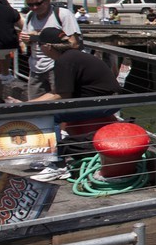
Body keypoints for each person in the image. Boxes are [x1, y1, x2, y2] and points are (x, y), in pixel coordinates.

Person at [27, 28, 122, 182]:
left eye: (39, 44)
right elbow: (57, 92)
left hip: (104, 103)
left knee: (49, 116)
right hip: (106, 100)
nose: (38, 48)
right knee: (48, 111)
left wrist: (30, 106)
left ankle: (57, 164)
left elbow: (62, 96)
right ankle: (54, 153)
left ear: (48, 47)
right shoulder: (71, 57)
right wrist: (29, 104)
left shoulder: (64, 61)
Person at [19, 0, 81, 100]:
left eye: (38, 4)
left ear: (47, 0)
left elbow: (74, 44)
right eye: (30, 5)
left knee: (60, 100)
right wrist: (26, 40)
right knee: (34, 104)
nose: (34, 8)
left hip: (57, 66)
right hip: (35, 67)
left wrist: (37, 37)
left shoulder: (62, 14)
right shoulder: (30, 16)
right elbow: (25, 43)